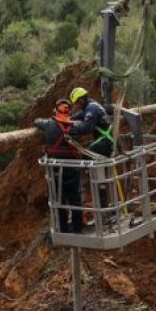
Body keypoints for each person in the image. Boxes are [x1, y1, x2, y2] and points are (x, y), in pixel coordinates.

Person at [35, 99, 84, 233]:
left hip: (55, 168)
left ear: (56, 111)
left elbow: (37, 121)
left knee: (59, 199)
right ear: (69, 112)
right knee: (75, 199)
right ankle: (77, 228)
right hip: (72, 167)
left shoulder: (48, 124)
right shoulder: (74, 126)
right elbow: (82, 128)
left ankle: (62, 229)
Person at [69, 87, 116, 225]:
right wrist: (66, 120)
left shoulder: (92, 108)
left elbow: (87, 127)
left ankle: (87, 182)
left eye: (77, 103)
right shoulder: (89, 106)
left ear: (81, 99)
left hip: (106, 142)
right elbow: (78, 116)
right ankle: (95, 185)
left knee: (86, 155)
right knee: (89, 155)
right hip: (104, 140)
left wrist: (73, 129)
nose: (76, 106)